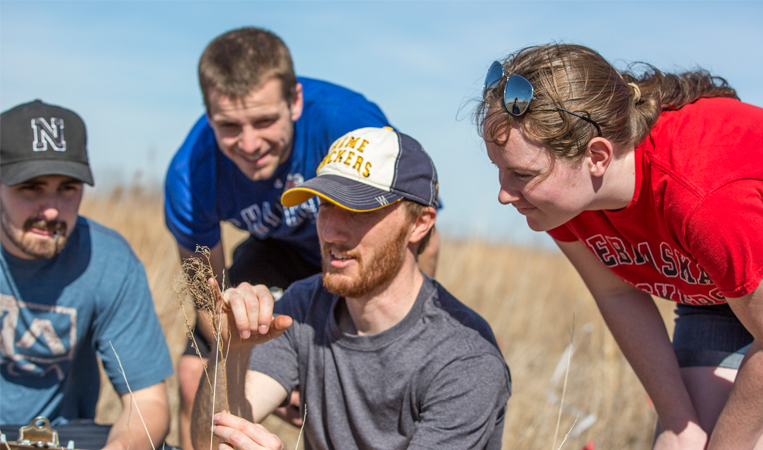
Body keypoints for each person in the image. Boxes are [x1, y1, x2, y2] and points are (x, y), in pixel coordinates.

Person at [478, 43, 763, 449]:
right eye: (499, 169)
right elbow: (616, 293)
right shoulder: (565, 200)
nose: (505, 194)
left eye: (522, 173)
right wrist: (678, 423)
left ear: (596, 156)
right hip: (720, 291)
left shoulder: (702, 198)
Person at [164, 27, 441, 449]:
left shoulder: (347, 122)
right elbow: (207, 291)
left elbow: (420, 236)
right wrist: (243, 354)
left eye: (264, 121)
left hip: (356, 253)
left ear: (294, 101)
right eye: (229, 127)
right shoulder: (190, 175)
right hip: (274, 252)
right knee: (193, 375)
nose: (250, 143)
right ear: (207, 115)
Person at [191, 126, 511, 450]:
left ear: (420, 223)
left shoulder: (465, 358)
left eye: (359, 208)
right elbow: (210, 440)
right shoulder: (304, 306)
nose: (331, 232)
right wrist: (230, 351)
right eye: (325, 205)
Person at [0, 100, 173, 450]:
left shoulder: (110, 261)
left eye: (67, 188)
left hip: (60, 437)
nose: (51, 209)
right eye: (30, 188)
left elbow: (147, 402)